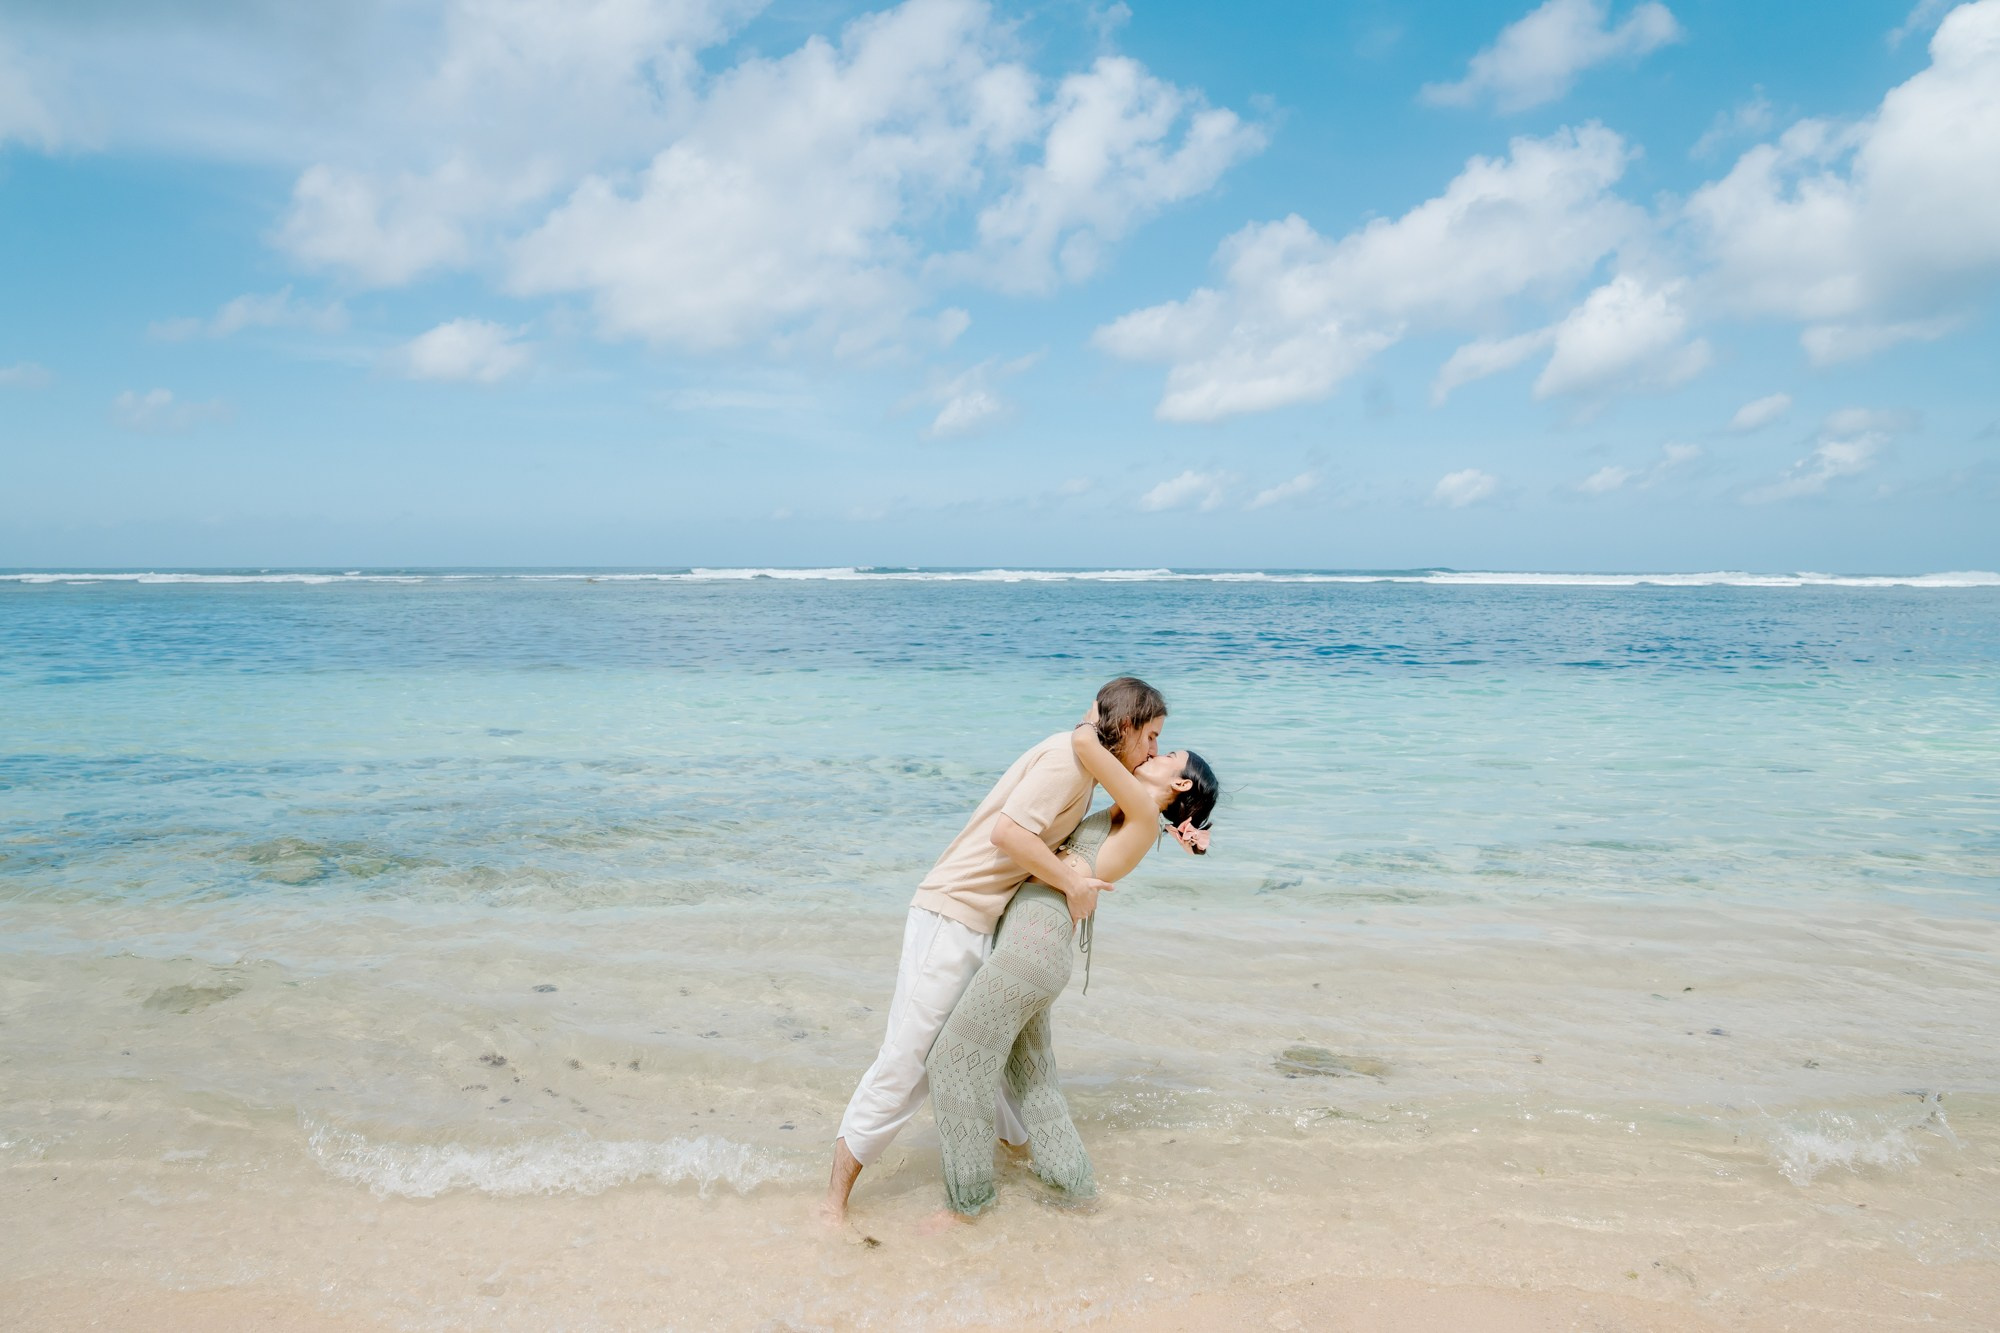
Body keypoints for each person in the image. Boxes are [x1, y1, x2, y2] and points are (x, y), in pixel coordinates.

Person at [821, 677, 1169, 1225]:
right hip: (953, 912)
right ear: (1124, 727)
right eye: (1151, 737)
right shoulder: (1068, 762)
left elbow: (1127, 821)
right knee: (908, 1062)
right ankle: (832, 1206)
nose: (1152, 751)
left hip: (985, 918)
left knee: (1001, 1057)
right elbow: (1007, 834)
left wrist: (1180, 825)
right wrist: (1073, 885)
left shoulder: (1086, 765)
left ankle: (1027, 1171)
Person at [925, 732, 1217, 1217]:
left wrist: (1118, 726)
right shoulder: (1125, 815)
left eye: (1166, 753)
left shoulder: (1142, 816)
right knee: (1032, 1079)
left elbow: (1085, 743)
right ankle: (1074, 1192)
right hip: (1037, 944)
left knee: (954, 1062)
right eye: (1155, 741)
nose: (1155, 752)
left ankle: (966, 1203)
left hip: (1035, 947)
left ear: (1181, 784)